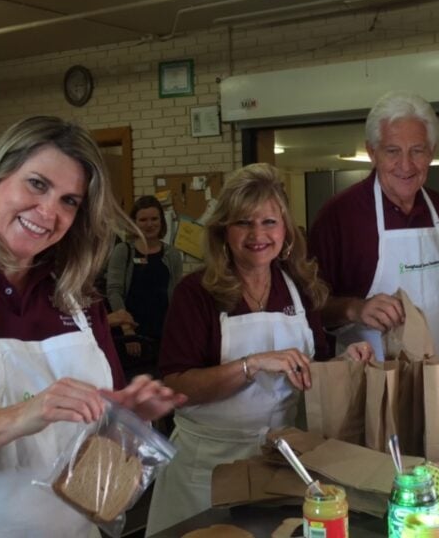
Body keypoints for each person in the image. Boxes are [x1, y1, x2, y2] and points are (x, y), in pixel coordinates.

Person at [0, 116, 186, 537]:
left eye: (70, 201)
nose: (48, 213)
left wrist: (128, 419)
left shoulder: (78, 298)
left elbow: (95, 449)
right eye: (37, 184)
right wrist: (22, 416)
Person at [145, 163, 372, 534]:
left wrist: (344, 362)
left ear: (285, 229)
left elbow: (308, 368)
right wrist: (250, 365)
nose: (257, 235)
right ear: (223, 231)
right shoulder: (197, 293)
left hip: (277, 462)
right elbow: (177, 387)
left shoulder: (298, 289)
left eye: (269, 222)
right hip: (208, 468)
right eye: (243, 223)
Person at [309, 91, 439, 364]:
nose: (406, 165)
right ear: (372, 152)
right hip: (365, 389)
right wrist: (354, 308)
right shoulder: (338, 216)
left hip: (433, 383)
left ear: (431, 153)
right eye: (392, 151)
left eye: (417, 151)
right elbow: (309, 307)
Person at [105, 195, 183, 371]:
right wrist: (128, 330)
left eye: (154, 219)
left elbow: (178, 294)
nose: (149, 224)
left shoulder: (172, 254)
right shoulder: (123, 251)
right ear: (134, 223)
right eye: (143, 220)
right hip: (131, 335)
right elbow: (114, 291)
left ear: (162, 221)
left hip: (164, 335)